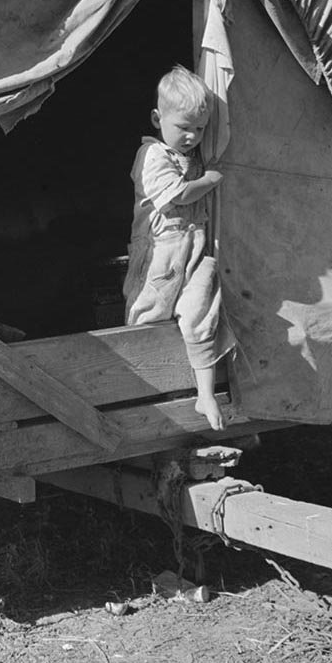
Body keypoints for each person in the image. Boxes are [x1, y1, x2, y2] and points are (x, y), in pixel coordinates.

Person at [123, 65, 236, 431]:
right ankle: (136, 390)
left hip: (194, 248)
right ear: (158, 119)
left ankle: (205, 394)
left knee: (202, 308)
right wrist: (210, 179)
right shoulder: (152, 157)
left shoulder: (194, 156)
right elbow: (180, 194)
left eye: (200, 129)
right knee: (149, 312)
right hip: (161, 252)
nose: (191, 136)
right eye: (183, 127)